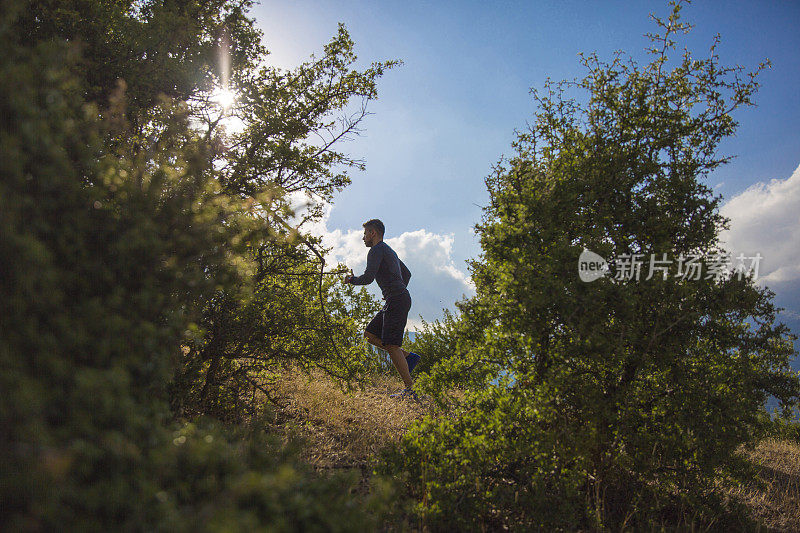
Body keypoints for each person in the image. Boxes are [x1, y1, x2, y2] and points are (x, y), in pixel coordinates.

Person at [344, 219, 422, 399]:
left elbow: (369, 277)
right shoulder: (389, 251)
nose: (363, 238)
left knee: (392, 345)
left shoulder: (376, 250)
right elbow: (407, 274)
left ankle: (410, 390)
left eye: (365, 234)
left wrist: (351, 280)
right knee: (370, 334)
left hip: (397, 299)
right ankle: (409, 358)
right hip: (395, 298)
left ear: (373, 233)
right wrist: (393, 289)